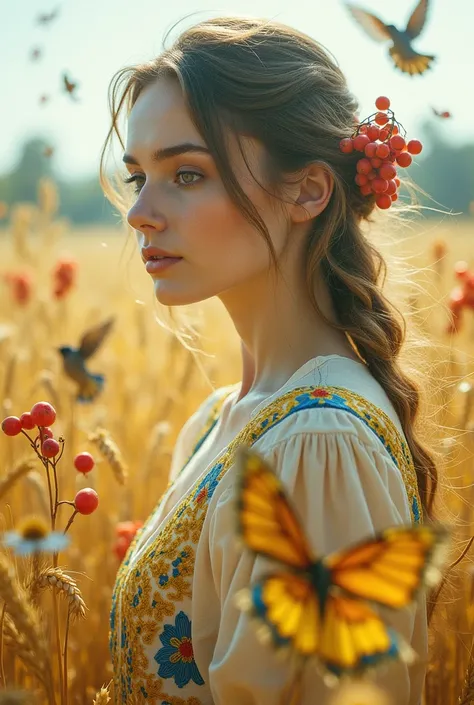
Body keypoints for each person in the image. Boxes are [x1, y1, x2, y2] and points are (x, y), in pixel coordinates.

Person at [100, 14, 439, 705]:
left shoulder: (321, 444)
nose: (141, 212)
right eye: (139, 177)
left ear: (309, 191)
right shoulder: (220, 419)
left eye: (186, 173)